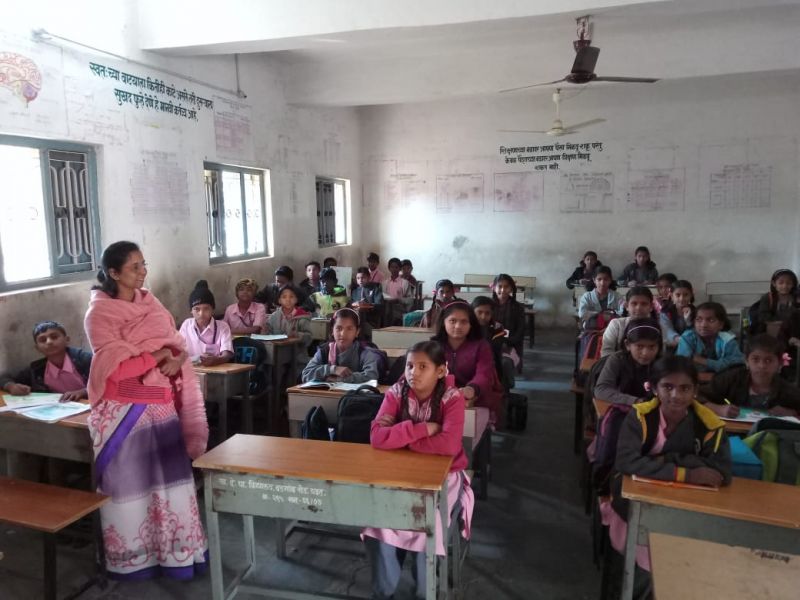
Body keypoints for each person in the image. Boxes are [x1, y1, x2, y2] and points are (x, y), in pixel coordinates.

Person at [84, 241, 208, 580]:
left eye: (144, 264)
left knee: (171, 488)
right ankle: (135, 562)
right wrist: (157, 356)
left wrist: (175, 359)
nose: (143, 272)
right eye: (135, 267)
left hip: (161, 407)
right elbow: (114, 370)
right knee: (131, 491)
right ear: (113, 273)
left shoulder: (150, 303)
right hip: (124, 413)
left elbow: (176, 345)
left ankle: (176, 556)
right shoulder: (99, 314)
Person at [600, 356, 731, 594]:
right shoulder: (640, 416)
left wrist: (664, 459)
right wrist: (686, 473)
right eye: (667, 387)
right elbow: (626, 462)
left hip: (688, 505)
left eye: (685, 388)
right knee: (648, 565)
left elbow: (721, 472)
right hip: (636, 501)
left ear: (695, 390)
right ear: (654, 389)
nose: (676, 395)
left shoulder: (709, 425)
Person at [363, 341, 473, 600]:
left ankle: (426, 591)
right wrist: (423, 430)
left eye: (423, 367)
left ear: (440, 371)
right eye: (410, 366)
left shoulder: (452, 398)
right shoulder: (396, 392)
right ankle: (384, 591)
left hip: (446, 476)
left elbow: (448, 446)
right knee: (380, 519)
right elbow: (377, 437)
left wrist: (402, 441)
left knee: (427, 522)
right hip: (401, 472)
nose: (414, 372)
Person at [431, 301, 502, 423]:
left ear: (471, 325)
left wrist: (471, 389)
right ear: (443, 322)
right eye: (452, 321)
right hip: (439, 397)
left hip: (477, 397)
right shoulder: (433, 346)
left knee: (467, 425)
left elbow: (484, 375)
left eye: (464, 322)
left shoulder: (481, 346)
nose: (458, 326)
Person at [702, 334, 800, 417]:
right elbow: (697, 396)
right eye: (755, 359)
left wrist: (792, 413)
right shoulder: (731, 378)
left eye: (768, 360)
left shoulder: (787, 390)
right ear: (746, 361)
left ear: (780, 364)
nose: (761, 366)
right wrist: (718, 409)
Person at [0, 320, 92, 402]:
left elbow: (101, 383)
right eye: (43, 340)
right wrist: (11, 386)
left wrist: (83, 392)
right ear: (37, 348)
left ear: (67, 340)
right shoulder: (36, 369)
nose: (49, 342)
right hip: (58, 412)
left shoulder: (86, 359)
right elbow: (3, 379)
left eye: (54, 337)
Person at [301, 308, 382, 383]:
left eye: (349, 329)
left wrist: (339, 379)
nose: (343, 334)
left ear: (357, 332)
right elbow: (306, 374)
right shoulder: (325, 350)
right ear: (332, 331)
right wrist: (332, 369)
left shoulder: (364, 351)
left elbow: (371, 376)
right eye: (339, 328)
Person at [594, 319, 662, 406]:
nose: (645, 353)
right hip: (623, 407)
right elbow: (601, 389)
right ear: (627, 345)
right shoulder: (617, 359)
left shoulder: (662, 362)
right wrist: (636, 401)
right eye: (640, 346)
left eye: (652, 347)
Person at [676, 302, 745, 373]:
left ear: (721, 325)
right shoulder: (688, 337)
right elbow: (683, 365)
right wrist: (720, 365)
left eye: (711, 320)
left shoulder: (727, 339)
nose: (703, 325)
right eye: (698, 320)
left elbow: (737, 364)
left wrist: (703, 361)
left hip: (723, 378)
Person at [178, 280, 233, 367]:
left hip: (216, 371)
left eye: (206, 308)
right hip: (192, 371)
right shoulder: (187, 325)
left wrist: (216, 360)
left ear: (212, 309)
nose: (201, 313)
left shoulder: (222, 326)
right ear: (191, 311)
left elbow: (226, 355)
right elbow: (178, 352)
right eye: (197, 309)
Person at [601, 287, 657, 358]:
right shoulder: (616, 324)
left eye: (644, 304)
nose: (638, 308)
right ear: (627, 306)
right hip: (616, 364)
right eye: (634, 303)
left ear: (651, 307)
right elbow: (606, 352)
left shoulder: (656, 327)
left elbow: (660, 354)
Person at [472, 296, 513, 389]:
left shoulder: (497, 328)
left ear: (492, 314)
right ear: (472, 312)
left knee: (505, 362)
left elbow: (494, 350)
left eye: (487, 313)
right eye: (479, 312)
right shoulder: (466, 326)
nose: (483, 317)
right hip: (469, 360)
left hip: (491, 361)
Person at [268, 284, 313, 368]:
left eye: (291, 297)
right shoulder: (273, 317)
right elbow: (268, 332)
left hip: (297, 358)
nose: (288, 299)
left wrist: (298, 335)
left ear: (296, 299)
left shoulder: (302, 317)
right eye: (284, 297)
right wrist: (264, 331)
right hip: (276, 354)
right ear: (279, 300)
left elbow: (309, 338)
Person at [491, 274, 525, 369]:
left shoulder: (518, 307)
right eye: (500, 286)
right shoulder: (488, 305)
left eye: (506, 287)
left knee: (505, 363)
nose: (503, 290)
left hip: (510, 344)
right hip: (490, 343)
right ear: (494, 288)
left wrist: (507, 342)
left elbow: (520, 330)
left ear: (511, 289)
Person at [756, 268, 800, 339]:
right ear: (774, 283)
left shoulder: (796, 298)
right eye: (781, 283)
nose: (784, 286)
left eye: (789, 283)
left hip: (792, 335)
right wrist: (781, 323)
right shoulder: (768, 297)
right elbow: (763, 317)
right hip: (772, 334)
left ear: (793, 284)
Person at [660, 280, 696, 349]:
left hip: (691, 346)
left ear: (691, 295)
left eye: (686, 295)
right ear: (672, 296)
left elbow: (696, 332)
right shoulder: (665, 312)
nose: (682, 298)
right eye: (678, 295)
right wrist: (682, 340)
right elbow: (668, 331)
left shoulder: (696, 311)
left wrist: (688, 321)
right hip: (672, 345)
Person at [351, 266, 384, 330]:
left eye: (363, 278)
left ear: (369, 278)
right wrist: (355, 304)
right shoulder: (355, 291)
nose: (360, 280)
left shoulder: (375, 289)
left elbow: (380, 304)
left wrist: (368, 305)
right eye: (358, 278)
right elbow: (351, 303)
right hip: (356, 318)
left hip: (371, 319)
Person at [383, 257, 414, 324]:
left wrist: (399, 300)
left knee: (393, 314)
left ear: (400, 269)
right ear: (389, 268)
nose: (394, 269)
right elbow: (383, 296)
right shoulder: (385, 283)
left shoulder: (405, 283)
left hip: (400, 310)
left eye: (396, 267)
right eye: (392, 267)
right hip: (387, 310)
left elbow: (410, 300)